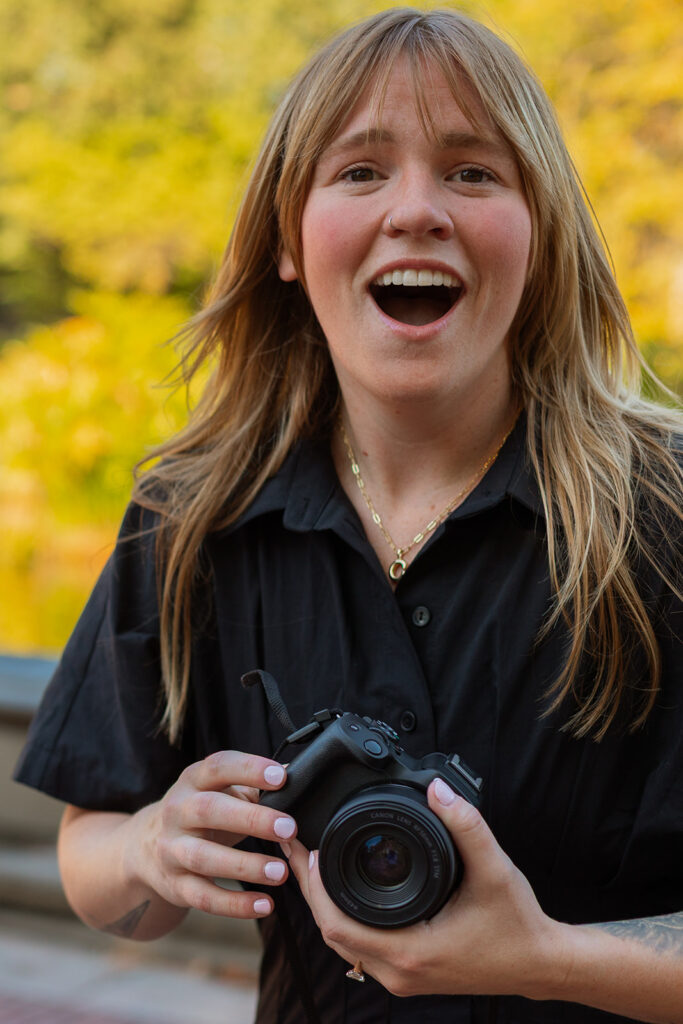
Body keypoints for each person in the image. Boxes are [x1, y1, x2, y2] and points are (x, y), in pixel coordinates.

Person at [14, 7, 682, 1024]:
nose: (415, 209)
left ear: (537, 232)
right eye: (359, 171)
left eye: (471, 171)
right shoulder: (188, 516)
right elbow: (94, 862)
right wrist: (154, 841)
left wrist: (545, 957)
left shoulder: (666, 517)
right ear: (288, 238)